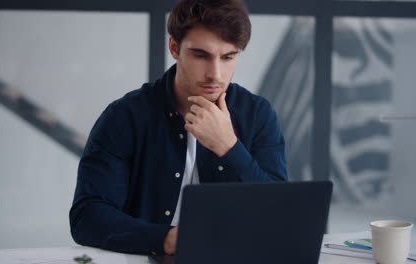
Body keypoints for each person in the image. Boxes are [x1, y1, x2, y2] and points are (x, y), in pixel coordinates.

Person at [69, 0, 287, 256]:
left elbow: (280, 216)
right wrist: (168, 238)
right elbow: (88, 216)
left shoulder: (258, 114)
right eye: (200, 55)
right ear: (174, 47)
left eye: (228, 57)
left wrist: (228, 146)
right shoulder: (125, 116)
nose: (215, 74)